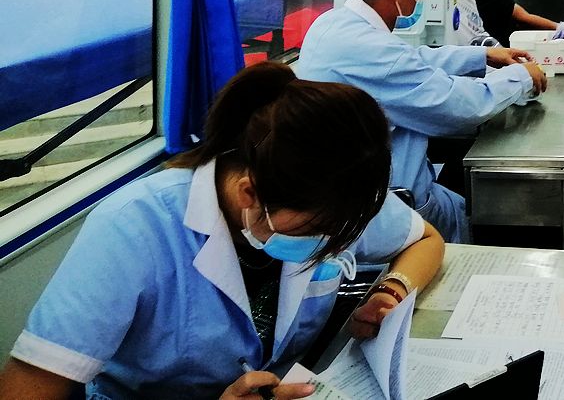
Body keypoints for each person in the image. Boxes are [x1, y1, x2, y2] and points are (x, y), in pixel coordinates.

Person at [0, 63, 445, 400]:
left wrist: (390, 289)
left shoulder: (334, 190)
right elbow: (24, 390)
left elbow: (426, 240)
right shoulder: (135, 227)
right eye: (318, 232)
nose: (332, 245)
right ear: (251, 193)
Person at [296, 0, 547, 243]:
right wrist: (520, 77)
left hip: (350, 187)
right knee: (488, 225)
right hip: (391, 204)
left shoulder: (333, 23)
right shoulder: (373, 50)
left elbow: (414, 58)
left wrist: (482, 56)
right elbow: (459, 106)